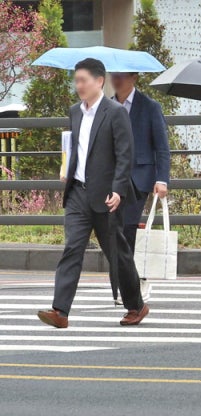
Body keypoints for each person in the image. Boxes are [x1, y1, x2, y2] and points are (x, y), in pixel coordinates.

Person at [37, 58, 148, 329]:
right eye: (76, 81)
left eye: (83, 80)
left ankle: (136, 305)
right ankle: (60, 311)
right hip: (77, 192)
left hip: (107, 196)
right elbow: (75, 148)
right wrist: (67, 168)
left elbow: (125, 155)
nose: (79, 86)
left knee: (117, 254)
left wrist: (119, 190)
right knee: (72, 247)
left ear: (99, 81)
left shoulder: (115, 112)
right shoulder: (75, 111)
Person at [110, 71, 170, 303]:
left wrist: (162, 179)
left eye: (122, 76)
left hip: (140, 177)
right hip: (112, 177)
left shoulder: (149, 106)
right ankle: (120, 287)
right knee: (112, 231)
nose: (117, 79)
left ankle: (135, 282)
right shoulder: (106, 105)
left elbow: (162, 147)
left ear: (134, 78)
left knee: (128, 228)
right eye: (114, 75)